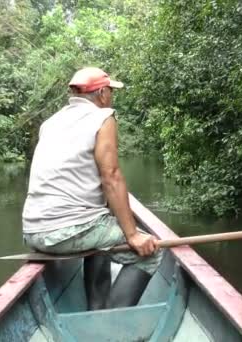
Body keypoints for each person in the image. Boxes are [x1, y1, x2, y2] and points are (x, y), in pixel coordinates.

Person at [21, 67, 163, 310]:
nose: (111, 97)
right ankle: (111, 324)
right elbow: (111, 177)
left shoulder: (50, 123)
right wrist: (133, 236)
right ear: (102, 93)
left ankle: (96, 307)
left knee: (100, 224)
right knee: (150, 253)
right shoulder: (103, 117)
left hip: (33, 231)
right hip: (70, 229)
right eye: (110, 91)